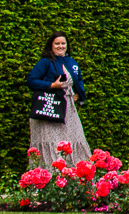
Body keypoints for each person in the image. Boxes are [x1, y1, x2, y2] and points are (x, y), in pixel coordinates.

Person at [26, 33, 91, 165]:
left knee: (74, 138)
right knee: (53, 143)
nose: (60, 46)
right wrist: (51, 85)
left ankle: (74, 176)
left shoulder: (71, 62)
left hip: (68, 110)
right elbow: (31, 81)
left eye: (63, 43)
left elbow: (78, 80)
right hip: (50, 110)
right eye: (57, 43)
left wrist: (77, 94)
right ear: (51, 46)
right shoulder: (45, 62)